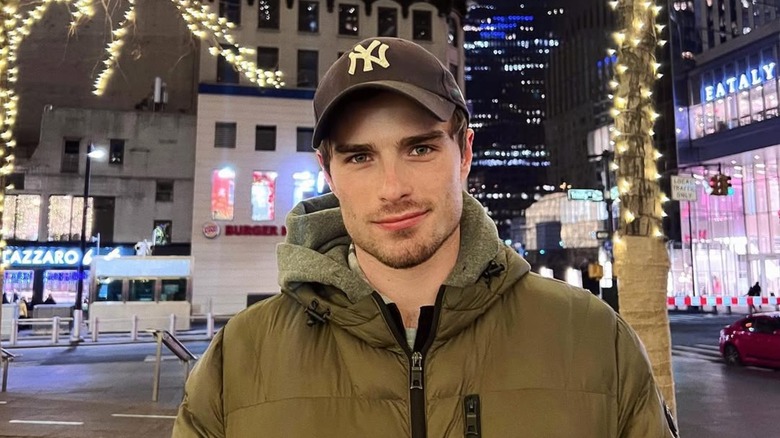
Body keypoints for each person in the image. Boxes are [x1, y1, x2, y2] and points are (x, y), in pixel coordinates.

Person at [173, 37, 678, 437]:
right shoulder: (237, 362)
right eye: (360, 157)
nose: (392, 189)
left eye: (419, 149)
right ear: (327, 171)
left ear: (464, 153)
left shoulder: (596, 342)